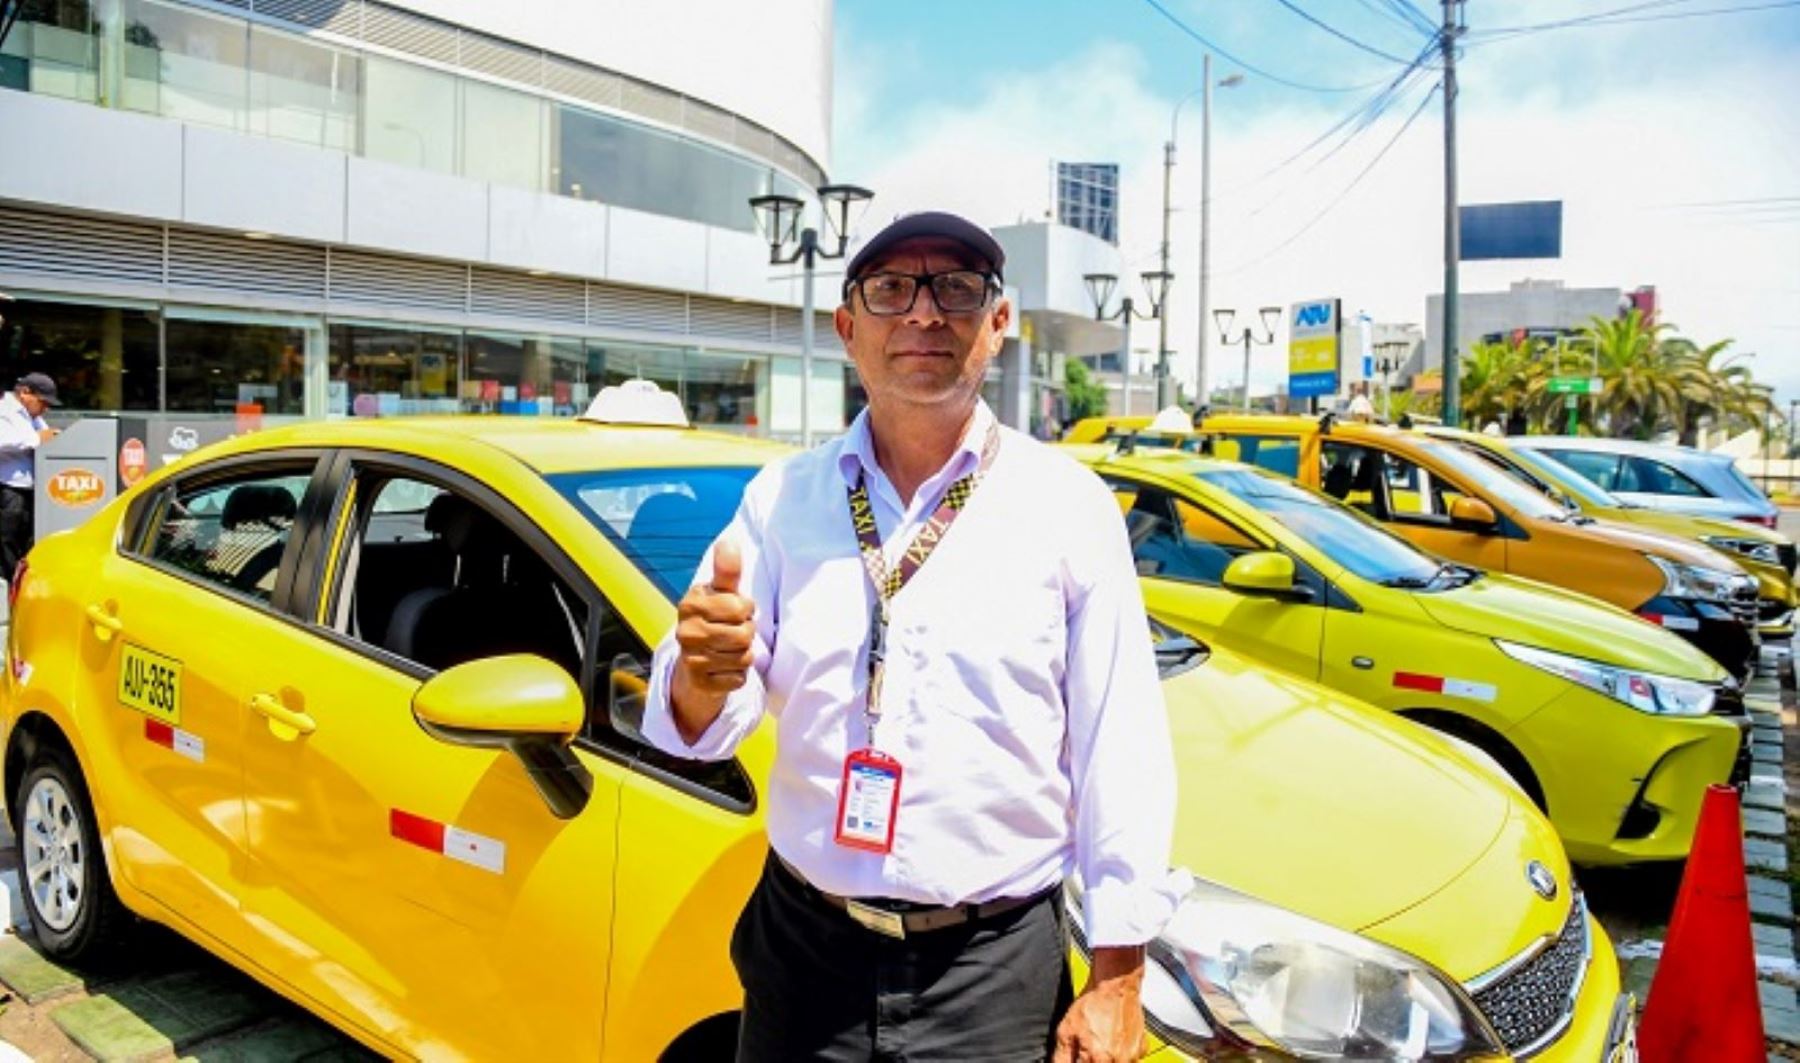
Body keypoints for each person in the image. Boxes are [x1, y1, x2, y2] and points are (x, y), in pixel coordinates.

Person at [642, 211, 1181, 1062]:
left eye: (957, 290)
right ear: (850, 329)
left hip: (993, 972)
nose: (925, 314)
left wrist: (1117, 974)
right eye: (892, 290)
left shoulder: (1067, 506)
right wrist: (702, 677)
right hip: (805, 953)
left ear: (998, 325)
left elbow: (1123, 744)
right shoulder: (784, 496)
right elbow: (709, 702)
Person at [0, 372, 59, 578]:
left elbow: (47, 435)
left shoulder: (33, 417)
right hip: (8, 490)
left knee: (22, 546)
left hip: (27, 491)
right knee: (7, 545)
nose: (45, 409)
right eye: (42, 402)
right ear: (25, 393)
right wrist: (36, 439)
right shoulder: (4, 409)